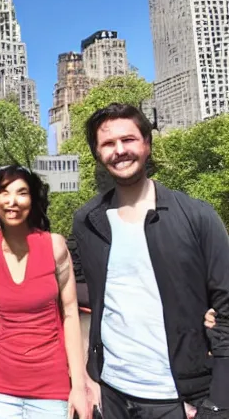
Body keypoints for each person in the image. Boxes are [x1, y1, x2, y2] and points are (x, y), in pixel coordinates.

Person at [73, 103, 229, 418]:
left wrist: (219, 401)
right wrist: (88, 378)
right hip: (113, 393)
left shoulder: (196, 216)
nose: (119, 150)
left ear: (147, 144)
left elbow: (226, 308)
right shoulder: (87, 221)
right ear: (98, 155)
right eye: (108, 144)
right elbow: (89, 296)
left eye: (128, 139)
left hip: (180, 399)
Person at [0, 165, 89, 419]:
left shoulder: (54, 246)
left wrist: (78, 386)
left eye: (21, 193)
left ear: (32, 200)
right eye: (4, 192)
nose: (12, 201)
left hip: (51, 388)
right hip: (0, 388)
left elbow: (70, 315)